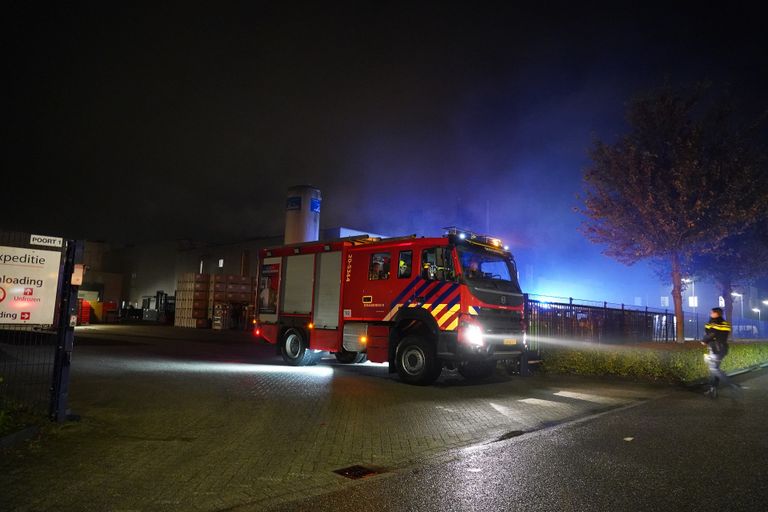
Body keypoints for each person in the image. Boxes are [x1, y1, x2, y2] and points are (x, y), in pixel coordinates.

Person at [700, 307, 740, 399]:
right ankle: (713, 389)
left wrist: (704, 341)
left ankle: (732, 385)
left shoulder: (717, 324)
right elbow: (711, 332)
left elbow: (712, 333)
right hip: (718, 349)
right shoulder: (721, 323)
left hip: (717, 349)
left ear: (717, 313)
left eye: (712, 312)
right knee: (713, 369)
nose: (710, 313)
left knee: (714, 369)